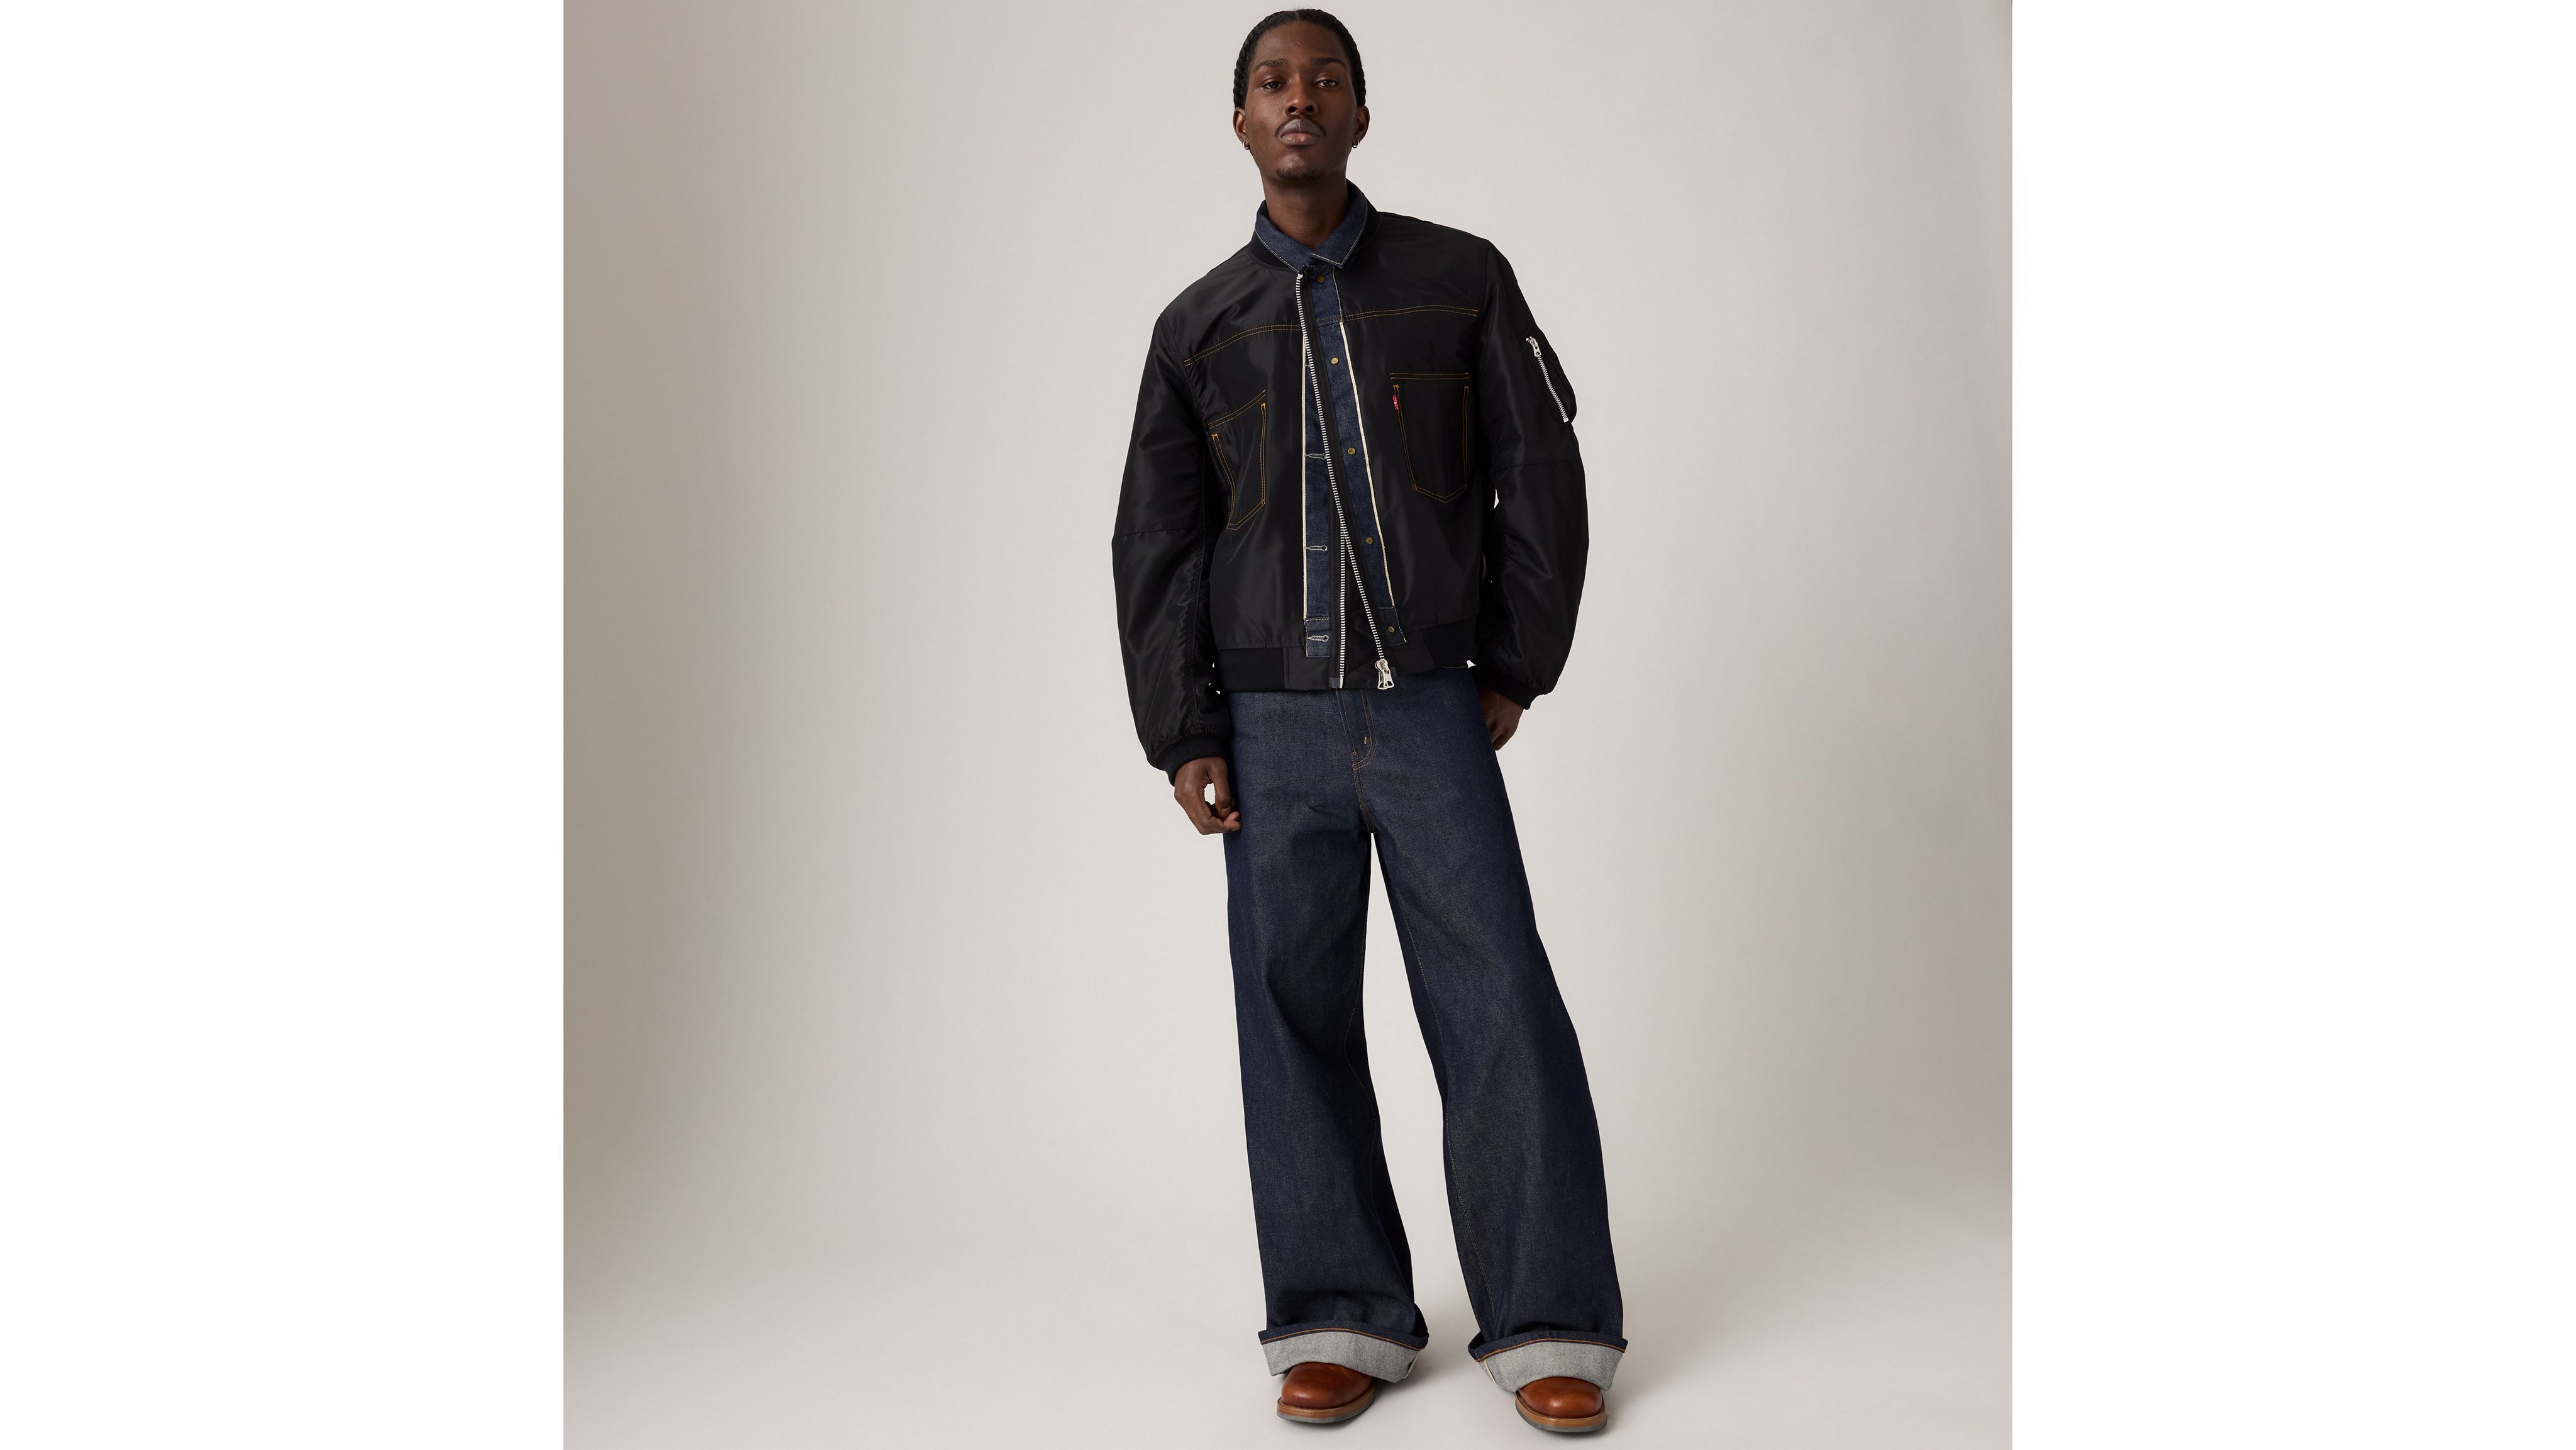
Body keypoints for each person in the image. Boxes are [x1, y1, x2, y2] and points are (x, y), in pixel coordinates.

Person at [1110, 9, 1622, 1435]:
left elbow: (1541, 473)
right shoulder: (1195, 328)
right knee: (1292, 1017)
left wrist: (1514, 662)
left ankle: (1550, 1319)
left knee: (1497, 995)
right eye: (1273, 82)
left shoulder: (1459, 280)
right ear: (1239, 120)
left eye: (1324, 79)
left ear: (1359, 114)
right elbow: (1157, 544)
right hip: (1269, 727)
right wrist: (1186, 729)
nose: (1300, 99)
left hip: (1429, 706)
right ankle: (1337, 1315)